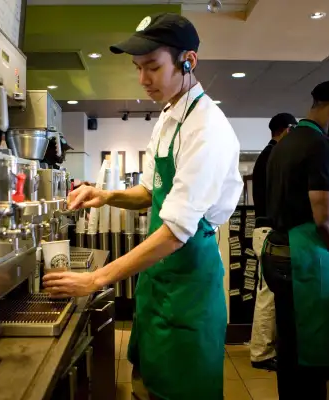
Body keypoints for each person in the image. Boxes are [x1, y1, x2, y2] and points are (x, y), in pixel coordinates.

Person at [43, 13, 243, 400]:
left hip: (188, 284)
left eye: (153, 67)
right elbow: (152, 193)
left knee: (183, 390)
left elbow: (176, 231)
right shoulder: (169, 116)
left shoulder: (207, 129)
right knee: (147, 385)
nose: (143, 79)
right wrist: (105, 195)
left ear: (188, 61)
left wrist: (96, 280)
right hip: (158, 281)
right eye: (138, 68)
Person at [263, 79, 329, 399]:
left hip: (277, 251)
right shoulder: (323, 146)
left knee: (291, 349)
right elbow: (326, 221)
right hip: (303, 260)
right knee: (310, 355)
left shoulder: (285, 143)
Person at [249, 112, 297, 371]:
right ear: (287, 130)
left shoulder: (267, 156)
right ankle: (262, 353)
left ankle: (263, 349)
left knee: (266, 291)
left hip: (264, 231)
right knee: (268, 293)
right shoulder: (275, 157)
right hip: (270, 232)